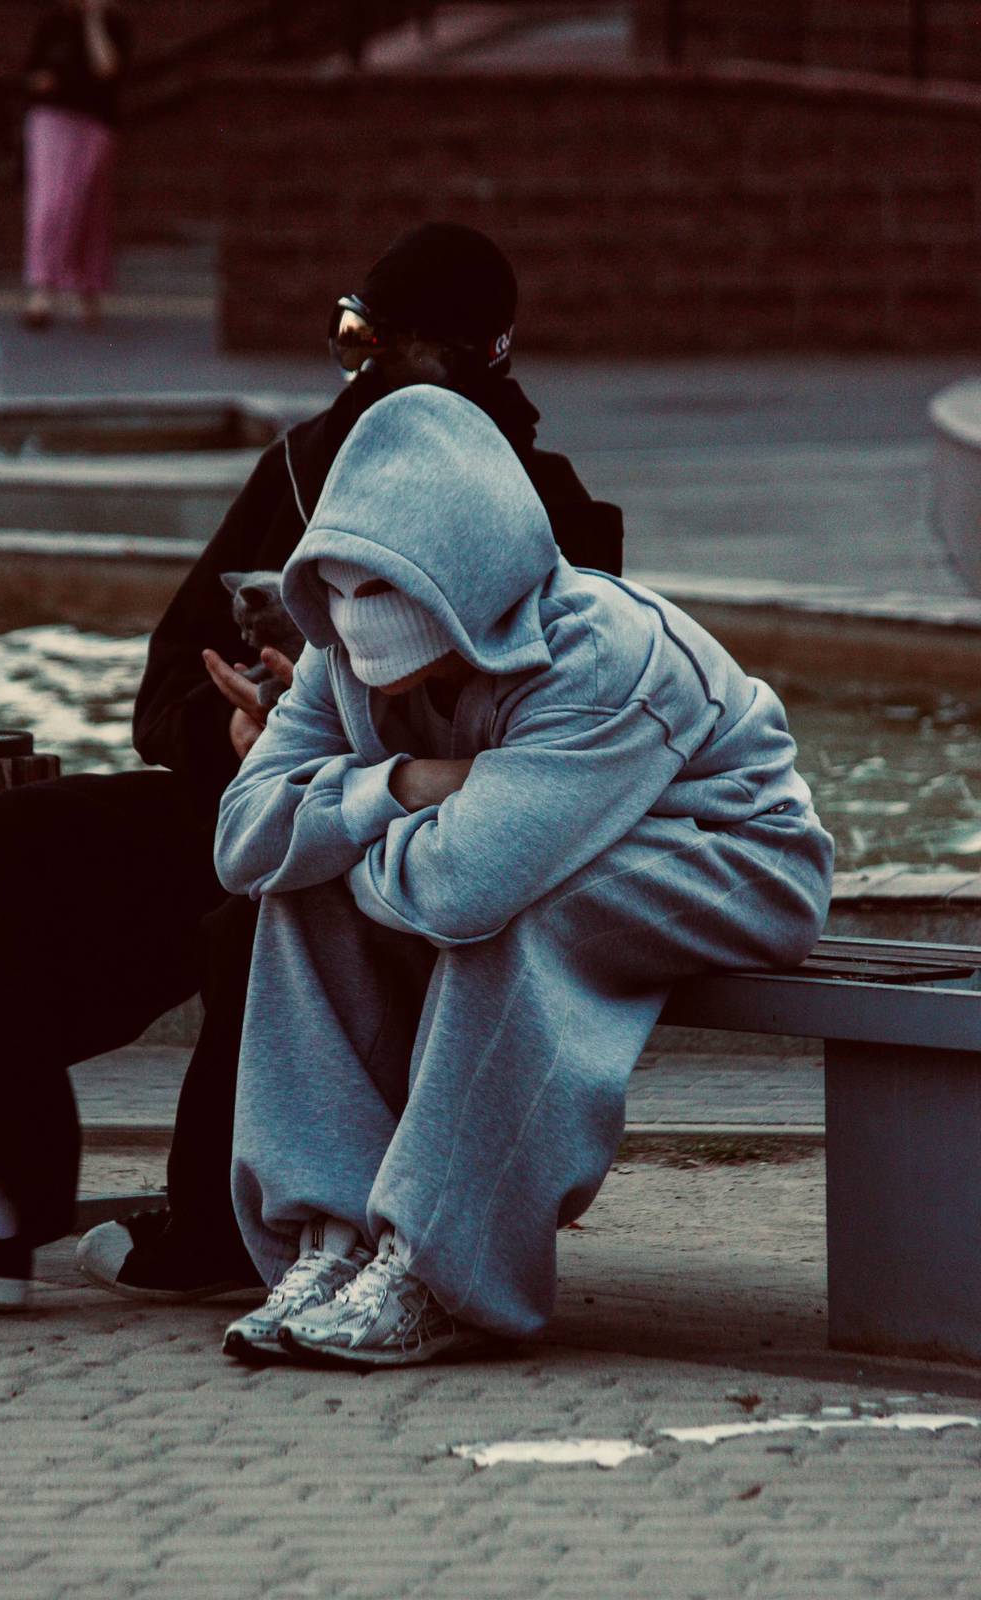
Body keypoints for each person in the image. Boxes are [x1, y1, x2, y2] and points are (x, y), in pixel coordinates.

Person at [0, 224, 626, 1311]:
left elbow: (556, 742)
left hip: (411, 838)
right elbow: (163, 688)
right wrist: (227, 730)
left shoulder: (548, 510)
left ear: (475, 358)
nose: (364, 373)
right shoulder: (301, 470)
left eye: (391, 349)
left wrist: (346, 735)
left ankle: (224, 1224)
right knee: (3, 844)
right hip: (255, 801)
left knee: (263, 914)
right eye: (352, 338)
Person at [214, 385, 835, 1366]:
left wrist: (348, 834)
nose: (358, 617)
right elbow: (243, 840)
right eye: (340, 585)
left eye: (390, 586)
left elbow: (463, 890)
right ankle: (334, 1237)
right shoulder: (340, 662)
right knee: (297, 896)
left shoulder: (601, 656)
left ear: (463, 568)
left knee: (523, 913)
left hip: (734, 856)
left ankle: (444, 1270)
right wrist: (406, 784)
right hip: (532, 848)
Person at [22, 0, 133, 330]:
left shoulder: (114, 24)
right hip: (52, 118)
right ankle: (43, 288)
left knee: (89, 209)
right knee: (52, 203)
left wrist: (94, 21)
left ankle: (87, 290)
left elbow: (107, 69)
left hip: (94, 123)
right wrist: (43, 81)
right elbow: (30, 73)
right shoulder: (53, 23)